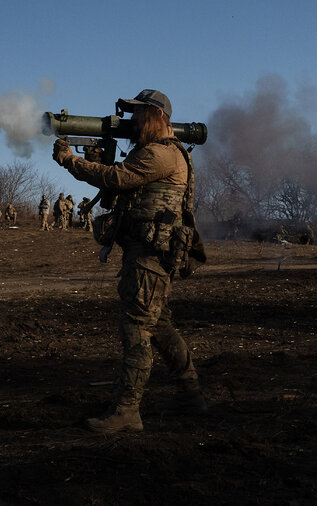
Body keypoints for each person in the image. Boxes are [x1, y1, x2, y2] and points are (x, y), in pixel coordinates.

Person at [52, 89, 207, 433]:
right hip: (146, 252)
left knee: (136, 327)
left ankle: (127, 411)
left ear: (156, 117)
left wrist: (71, 161)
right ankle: (190, 395)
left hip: (150, 257)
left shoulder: (162, 154)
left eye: (138, 115)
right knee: (159, 326)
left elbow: (117, 178)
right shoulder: (153, 152)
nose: (131, 122)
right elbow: (120, 188)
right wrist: (97, 158)